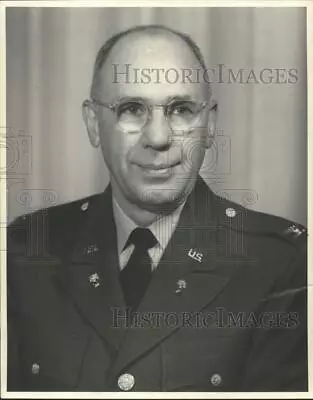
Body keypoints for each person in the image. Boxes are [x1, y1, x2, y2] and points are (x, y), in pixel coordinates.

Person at [7, 25, 307, 392]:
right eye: (131, 109)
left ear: (210, 125)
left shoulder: (283, 263)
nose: (159, 138)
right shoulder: (25, 251)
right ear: (93, 124)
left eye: (180, 110)